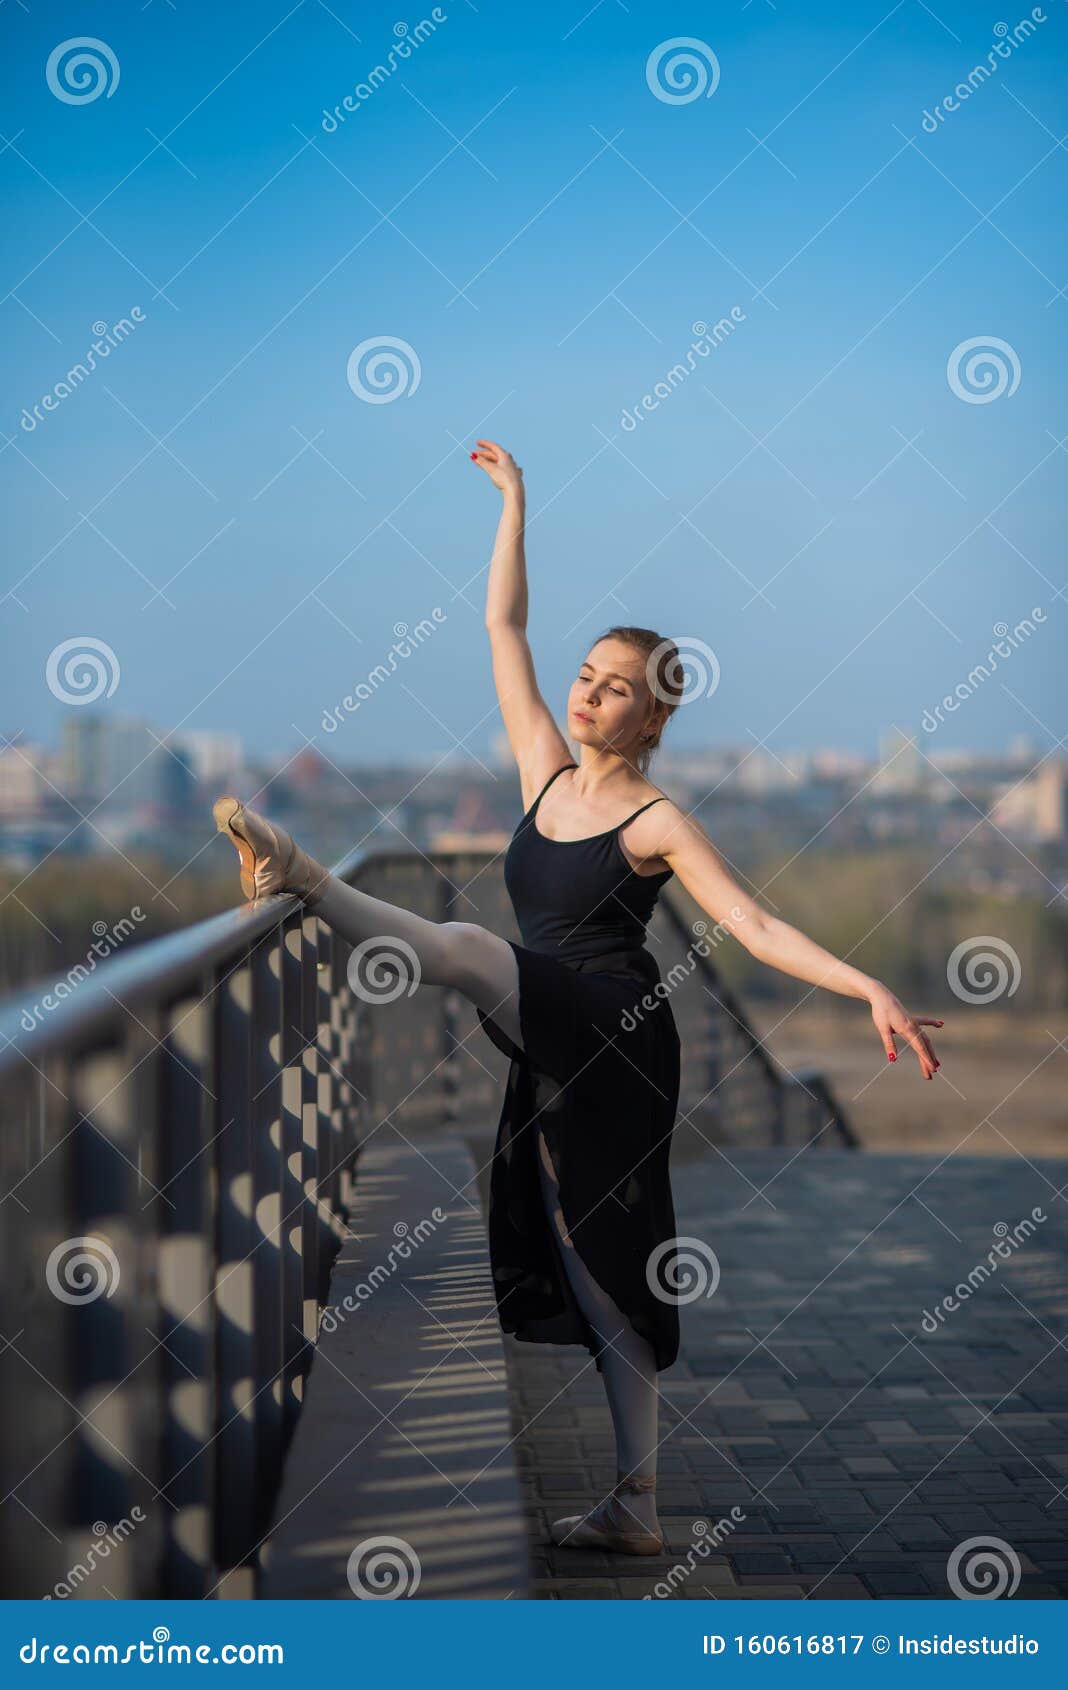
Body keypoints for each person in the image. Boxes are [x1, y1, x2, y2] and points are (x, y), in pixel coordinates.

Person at [212, 439, 943, 1558]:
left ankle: (302, 876)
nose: (591, 693)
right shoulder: (543, 773)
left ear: (652, 719)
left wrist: (871, 985)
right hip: (552, 1022)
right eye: (588, 676)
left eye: (617, 689)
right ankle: (637, 1509)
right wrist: (516, 503)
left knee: (463, 949)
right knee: (597, 1252)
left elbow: (751, 924)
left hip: (614, 1026)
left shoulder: (656, 820)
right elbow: (504, 630)